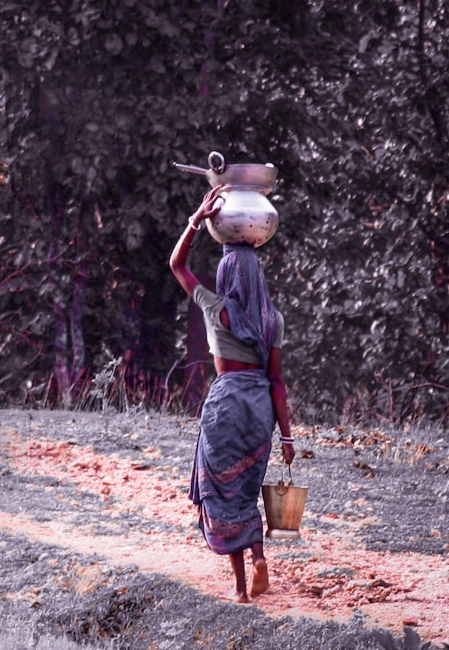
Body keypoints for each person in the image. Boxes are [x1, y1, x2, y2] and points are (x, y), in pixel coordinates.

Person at [169, 185, 296, 604]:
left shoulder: (214, 306)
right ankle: (260, 557)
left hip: (225, 407)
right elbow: (277, 381)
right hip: (259, 408)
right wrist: (288, 436)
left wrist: (196, 219)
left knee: (220, 491)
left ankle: (242, 589)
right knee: (245, 487)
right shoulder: (271, 319)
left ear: (225, 276)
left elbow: (177, 264)